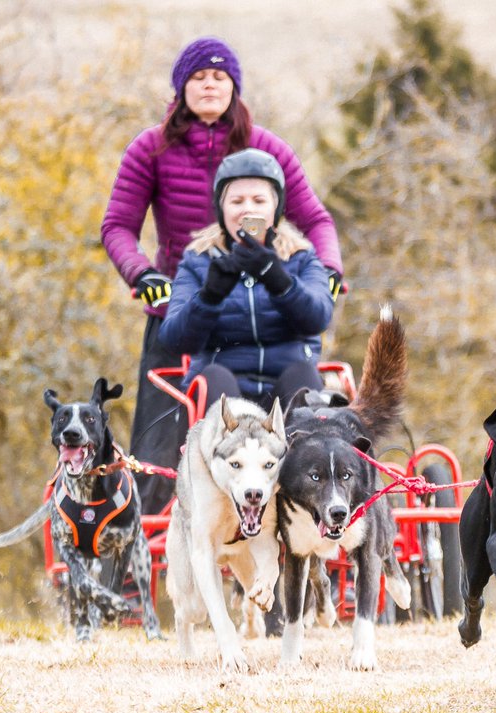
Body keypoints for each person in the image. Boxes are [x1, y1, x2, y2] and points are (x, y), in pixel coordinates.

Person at [101, 36, 343, 514]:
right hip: (185, 304)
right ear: (181, 88)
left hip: (270, 306)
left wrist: (329, 268)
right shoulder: (151, 148)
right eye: (198, 77)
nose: (210, 86)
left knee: (305, 396)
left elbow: (317, 220)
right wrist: (142, 272)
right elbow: (118, 226)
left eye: (219, 78)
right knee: (159, 443)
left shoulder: (265, 150)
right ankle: (137, 557)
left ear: (235, 88)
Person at [158, 148, 334, 416]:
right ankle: (231, 450)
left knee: (304, 378)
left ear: (276, 207)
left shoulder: (301, 256)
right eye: (237, 201)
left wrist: (278, 279)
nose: (248, 210)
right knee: (213, 376)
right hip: (225, 387)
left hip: (287, 385)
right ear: (221, 208)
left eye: (259, 200)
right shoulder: (198, 260)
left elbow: (318, 318)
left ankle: (308, 454)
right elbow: (174, 339)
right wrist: (209, 297)